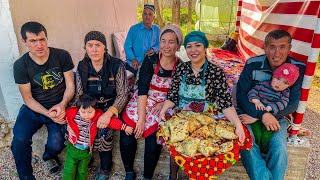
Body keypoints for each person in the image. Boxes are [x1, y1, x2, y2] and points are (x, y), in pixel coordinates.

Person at [159, 31, 245, 180]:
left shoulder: (215, 71)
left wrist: (238, 124)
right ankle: (172, 175)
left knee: (205, 148)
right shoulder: (181, 69)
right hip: (183, 115)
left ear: (205, 47)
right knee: (175, 139)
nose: (193, 50)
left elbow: (225, 102)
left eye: (198, 45)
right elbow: (173, 95)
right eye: (190, 46)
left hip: (206, 118)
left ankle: (199, 175)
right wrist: (164, 109)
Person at [236, 29, 306, 180]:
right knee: (247, 146)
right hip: (249, 115)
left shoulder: (297, 68)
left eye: (282, 47)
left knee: (279, 149)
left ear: (289, 48)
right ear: (265, 47)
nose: (276, 53)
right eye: (272, 47)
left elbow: (293, 103)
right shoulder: (253, 64)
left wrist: (264, 116)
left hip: (277, 117)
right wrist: (261, 115)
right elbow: (241, 96)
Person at [11, 21, 75, 179]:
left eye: (42, 39)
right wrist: (48, 113)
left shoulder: (61, 55)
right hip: (34, 109)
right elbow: (28, 98)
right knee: (19, 141)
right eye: (33, 41)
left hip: (59, 106)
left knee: (57, 143)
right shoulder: (21, 65)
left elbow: (70, 85)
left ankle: (48, 157)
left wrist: (62, 105)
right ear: (24, 41)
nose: (39, 45)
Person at [121, 24, 183, 180]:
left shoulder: (181, 66)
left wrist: (165, 103)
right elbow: (142, 89)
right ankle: (129, 171)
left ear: (178, 45)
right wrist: (141, 120)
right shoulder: (151, 60)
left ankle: (147, 176)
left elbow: (178, 93)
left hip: (164, 104)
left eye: (171, 42)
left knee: (153, 141)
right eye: (163, 41)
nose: (166, 46)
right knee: (128, 131)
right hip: (144, 99)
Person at [71, 30, 128, 180]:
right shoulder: (82, 66)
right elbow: (79, 93)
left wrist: (108, 114)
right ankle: (83, 158)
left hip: (111, 106)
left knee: (104, 132)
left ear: (105, 47)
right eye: (90, 45)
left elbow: (123, 94)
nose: (94, 49)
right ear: (85, 48)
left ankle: (104, 167)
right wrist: (84, 112)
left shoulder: (117, 65)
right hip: (90, 107)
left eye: (98, 45)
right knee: (79, 127)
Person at [63, 94, 133, 180]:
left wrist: (124, 127)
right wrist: (65, 121)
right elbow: (63, 114)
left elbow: (112, 122)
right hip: (73, 148)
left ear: (95, 110)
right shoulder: (72, 113)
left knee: (83, 170)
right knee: (69, 169)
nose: (86, 115)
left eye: (90, 112)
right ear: (78, 109)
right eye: (83, 112)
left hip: (86, 151)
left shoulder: (97, 116)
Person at [247, 63, 299, 154]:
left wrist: (270, 107)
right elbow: (252, 92)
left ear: (289, 85)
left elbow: (283, 102)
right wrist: (256, 101)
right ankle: (257, 149)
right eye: (278, 79)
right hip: (256, 115)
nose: (279, 83)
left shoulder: (285, 92)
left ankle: (264, 150)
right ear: (273, 76)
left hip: (272, 117)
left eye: (285, 82)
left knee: (268, 133)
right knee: (256, 132)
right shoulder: (263, 84)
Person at [124, 4, 161, 72]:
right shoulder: (134, 29)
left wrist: (152, 49)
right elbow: (127, 46)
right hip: (136, 62)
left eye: (150, 14)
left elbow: (160, 44)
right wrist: (133, 59)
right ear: (142, 15)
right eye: (145, 14)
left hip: (151, 61)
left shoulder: (157, 29)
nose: (147, 16)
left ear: (153, 17)